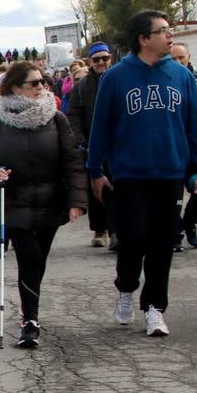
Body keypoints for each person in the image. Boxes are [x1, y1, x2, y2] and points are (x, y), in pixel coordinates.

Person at [85, 10, 197, 337]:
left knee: (162, 244)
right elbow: (101, 128)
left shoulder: (181, 77)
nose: (170, 36)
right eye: (163, 31)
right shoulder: (116, 78)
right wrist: (95, 169)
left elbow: (196, 128)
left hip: (169, 175)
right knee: (133, 239)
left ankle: (154, 308)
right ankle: (125, 287)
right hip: (129, 175)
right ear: (143, 39)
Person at [0, 61, 88, 348]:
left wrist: (77, 200)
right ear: (15, 87)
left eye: (42, 82)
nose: (41, 87)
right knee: (29, 259)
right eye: (34, 83)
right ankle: (30, 321)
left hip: (51, 203)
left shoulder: (56, 118)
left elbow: (72, 162)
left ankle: (30, 311)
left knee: (39, 261)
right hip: (14, 204)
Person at [67, 40, 116, 248]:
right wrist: (81, 141)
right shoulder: (81, 86)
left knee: (117, 188)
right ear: (90, 61)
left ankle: (116, 231)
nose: (101, 62)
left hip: (117, 146)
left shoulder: (118, 80)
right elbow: (73, 116)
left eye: (105, 58)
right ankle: (100, 230)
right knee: (96, 190)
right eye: (97, 59)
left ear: (110, 58)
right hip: (92, 146)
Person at [172, 42, 197, 248]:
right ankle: (174, 234)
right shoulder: (167, 80)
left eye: (181, 57)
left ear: (188, 58)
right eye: (173, 58)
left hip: (195, 146)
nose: (178, 62)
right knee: (173, 197)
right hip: (174, 147)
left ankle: (188, 223)